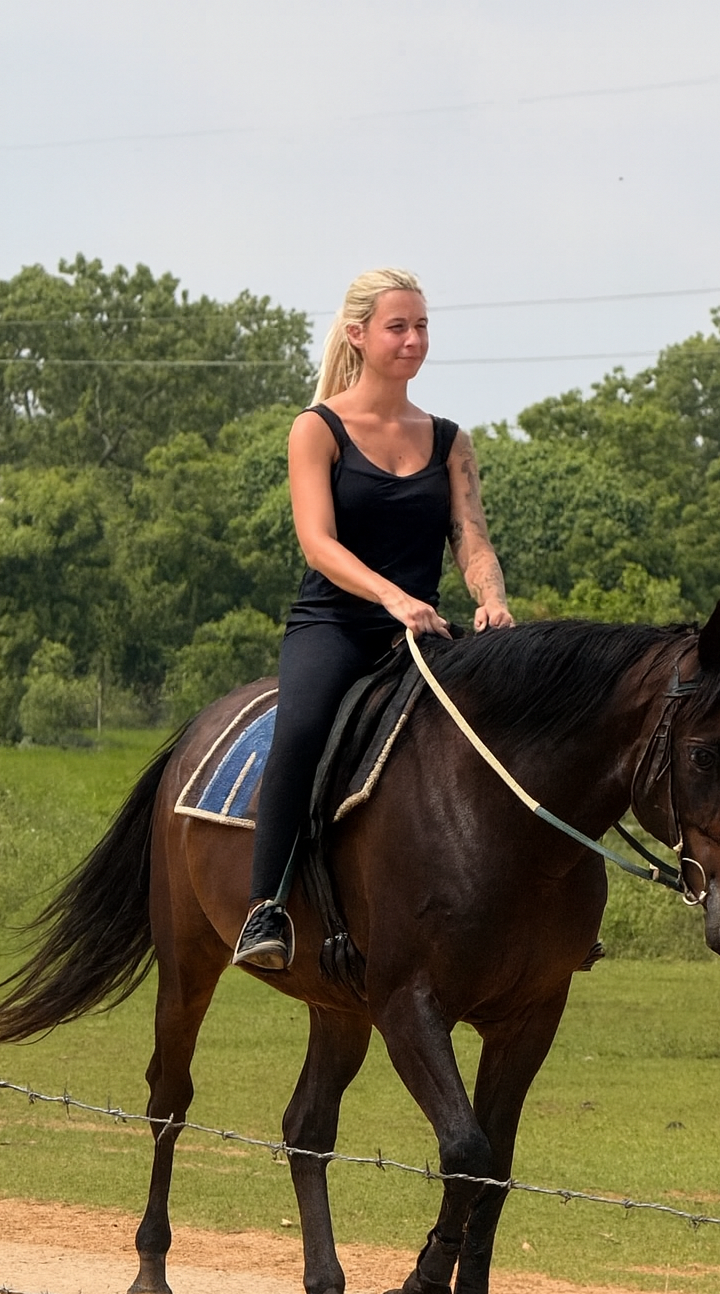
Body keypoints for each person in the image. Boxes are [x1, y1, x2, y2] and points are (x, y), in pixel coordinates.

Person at [233, 267, 514, 969]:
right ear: (358, 334)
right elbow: (317, 543)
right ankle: (265, 908)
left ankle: (526, 905)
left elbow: (470, 537)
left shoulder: (449, 439)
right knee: (298, 731)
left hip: (421, 635)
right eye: (399, 326)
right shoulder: (318, 428)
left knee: (508, 721)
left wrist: (490, 595)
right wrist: (390, 596)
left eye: (422, 326)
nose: (414, 340)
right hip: (333, 626)